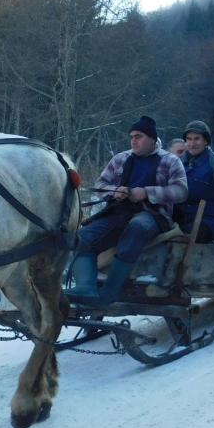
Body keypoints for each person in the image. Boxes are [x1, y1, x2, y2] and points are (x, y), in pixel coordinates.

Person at [66, 116, 188, 305]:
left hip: (153, 215)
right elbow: (100, 184)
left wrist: (146, 193)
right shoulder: (121, 158)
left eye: (138, 136)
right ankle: (86, 288)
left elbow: (181, 191)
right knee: (83, 238)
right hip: (118, 212)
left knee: (137, 227)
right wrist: (114, 191)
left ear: (152, 139)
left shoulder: (170, 161)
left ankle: (110, 291)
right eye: (131, 136)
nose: (133, 140)